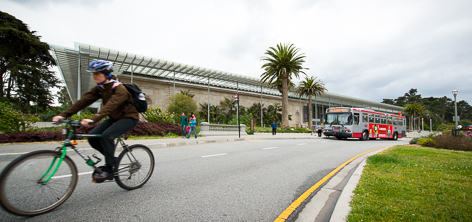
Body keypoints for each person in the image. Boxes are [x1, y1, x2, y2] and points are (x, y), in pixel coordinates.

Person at [52, 60, 139, 182]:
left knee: (106, 136)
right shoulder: (99, 88)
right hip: (114, 119)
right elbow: (82, 102)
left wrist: (93, 119)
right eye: (93, 74)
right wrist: (63, 115)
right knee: (92, 137)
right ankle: (112, 160)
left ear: (107, 74)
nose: (94, 76)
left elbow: (110, 106)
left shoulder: (119, 88)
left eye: (97, 73)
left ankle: (109, 169)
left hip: (129, 118)